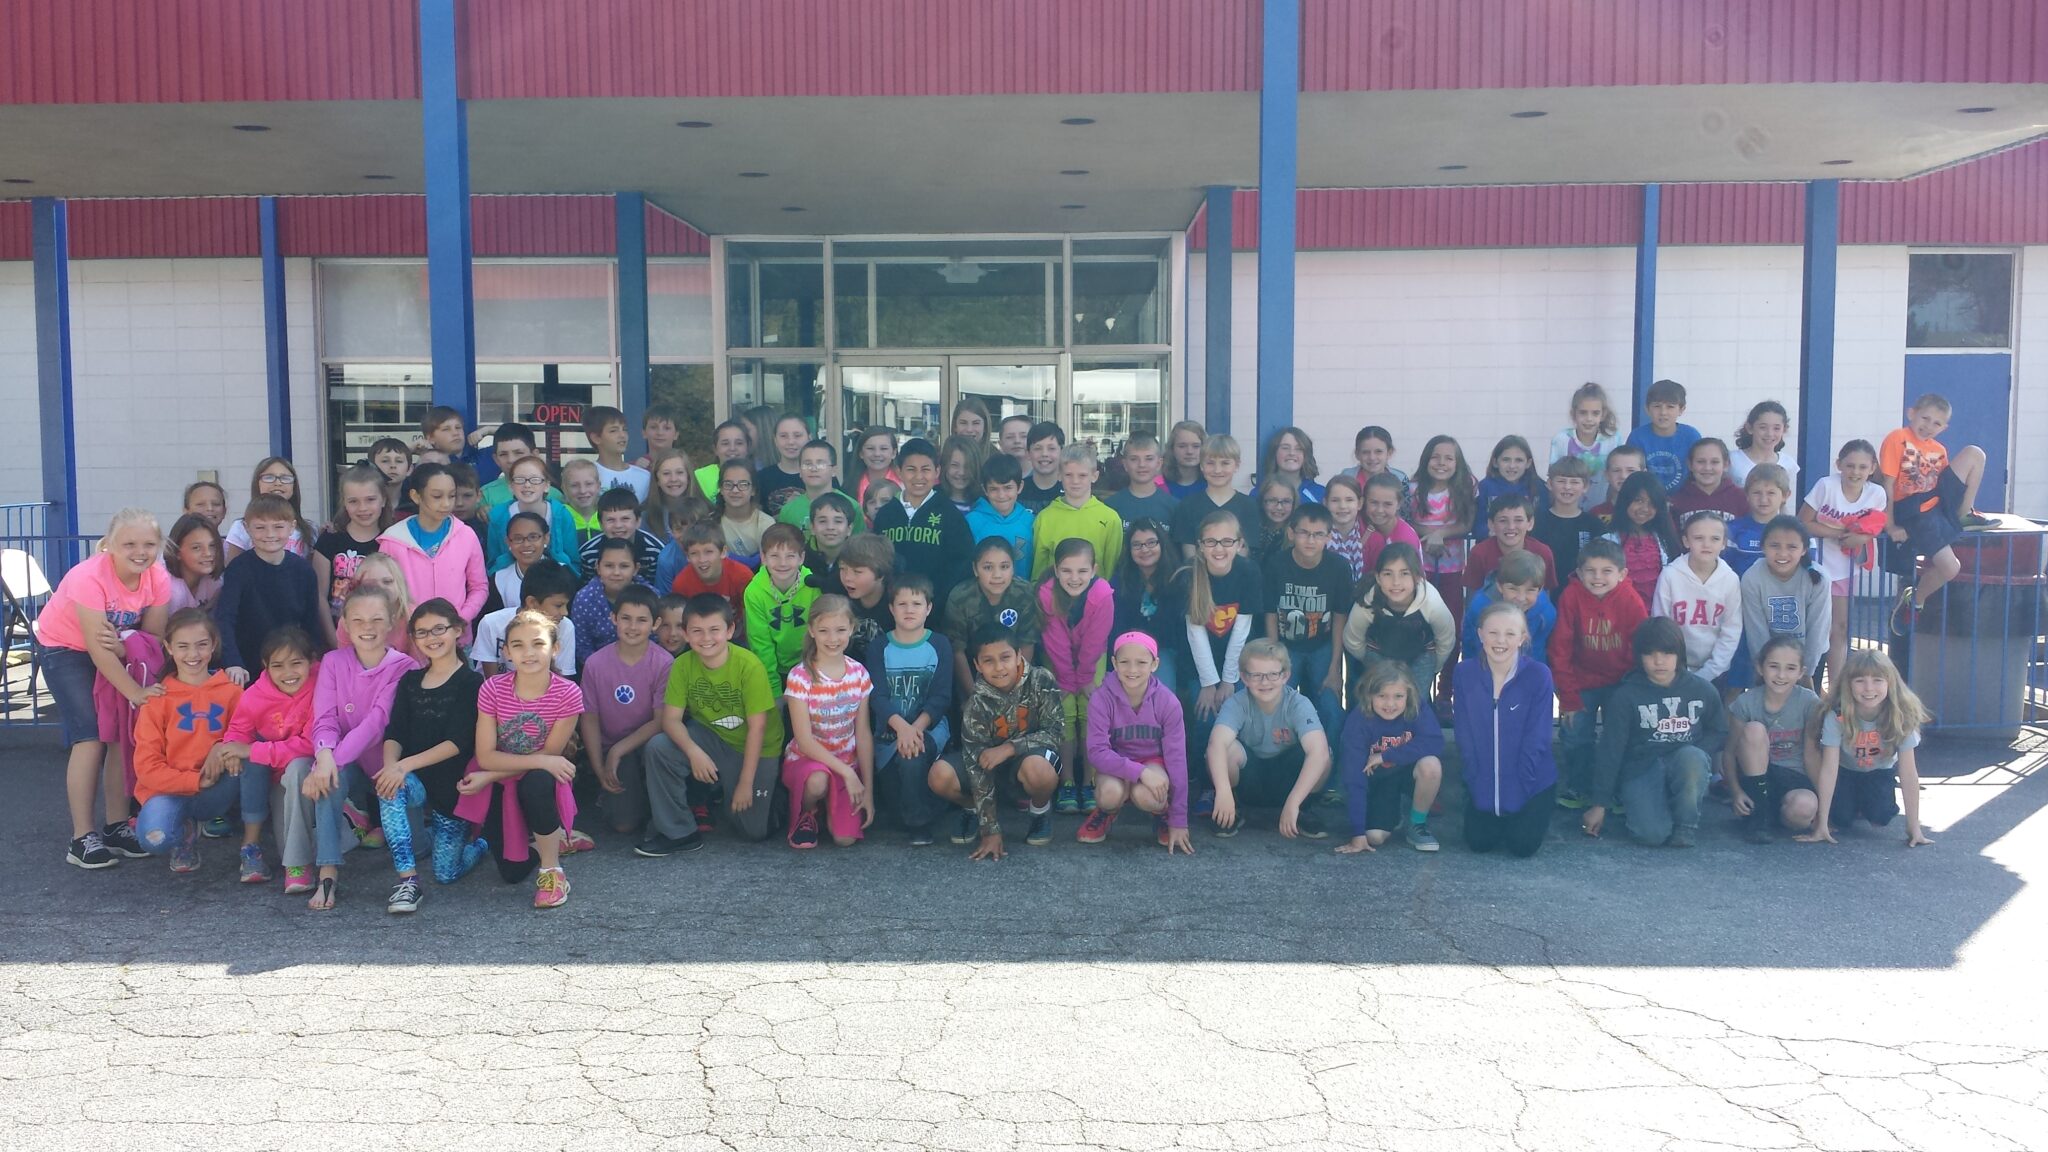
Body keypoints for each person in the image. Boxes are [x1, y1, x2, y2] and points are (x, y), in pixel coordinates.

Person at [294, 587, 417, 911]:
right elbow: (325, 718)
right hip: (348, 764)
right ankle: (328, 872)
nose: (368, 627)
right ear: (345, 624)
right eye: (358, 620)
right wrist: (323, 758)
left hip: (388, 770)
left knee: (417, 845)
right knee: (329, 781)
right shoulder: (333, 662)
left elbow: (376, 723)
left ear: (391, 622)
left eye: (377, 619)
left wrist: (327, 765)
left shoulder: (404, 666)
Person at [457, 609, 585, 908]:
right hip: (501, 775)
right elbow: (485, 756)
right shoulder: (491, 688)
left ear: (555, 648)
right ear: (506, 652)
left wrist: (490, 775)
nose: (528, 653)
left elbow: (549, 756)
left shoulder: (568, 693)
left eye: (538, 644)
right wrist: (492, 774)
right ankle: (555, 839)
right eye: (518, 645)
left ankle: (552, 871)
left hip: (534, 776)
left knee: (538, 782)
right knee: (512, 873)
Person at [637, 594, 784, 852]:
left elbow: (758, 728)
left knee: (754, 831)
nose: (706, 638)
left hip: (755, 746)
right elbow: (671, 720)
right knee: (659, 747)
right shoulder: (682, 665)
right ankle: (679, 832)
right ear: (686, 634)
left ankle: (775, 793)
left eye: (714, 630)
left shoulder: (749, 666)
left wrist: (745, 783)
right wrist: (693, 753)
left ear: (730, 630)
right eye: (697, 631)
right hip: (711, 735)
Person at [371, 599, 491, 914]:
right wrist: (392, 769)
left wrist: (403, 766)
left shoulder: (471, 682)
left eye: (439, 629)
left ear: (458, 630)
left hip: (451, 785)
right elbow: (395, 732)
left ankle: (480, 844)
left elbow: (457, 742)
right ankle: (408, 881)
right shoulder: (410, 680)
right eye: (422, 632)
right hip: (415, 780)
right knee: (389, 788)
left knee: (446, 873)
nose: (431, 638)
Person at [1586, 616, 1726, 847]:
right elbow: (1611, 750)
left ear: (1679, 654)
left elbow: (1719, 730)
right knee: (1651, 835)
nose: (1659, 661)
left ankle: (1686, 824)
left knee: (1692, 759)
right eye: (1650, 654)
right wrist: (1599, 804)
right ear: (1639, 656)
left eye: (1667, 653)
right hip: (1641, 767)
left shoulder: (1702, 689)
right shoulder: (1625, 696)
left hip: (1683, 760)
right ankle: (1651, 805)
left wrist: (1698, 753)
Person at [128, 608, 242, 874]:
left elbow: (245, 735)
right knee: (154, 838)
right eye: (183, 646)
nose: (193, 654)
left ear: (213, 645)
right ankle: (184, 832)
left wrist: (221, 746)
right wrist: (194, 781)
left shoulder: (231, 691)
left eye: (201, 645)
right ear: (169, 648)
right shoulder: (157, 699)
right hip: (170, 791)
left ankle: (251, 846)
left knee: (249, 760)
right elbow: (146, 767)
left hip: (218, 786)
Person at [1880, 392, 1994, 634]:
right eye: (1925, 418)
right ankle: (1915, 600)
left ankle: (1964, 513)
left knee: (1975, 453)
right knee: (1951, 568)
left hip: (1936, 503)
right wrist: (1890, 524)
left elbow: (1941, 482)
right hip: (1912, 509)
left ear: (1944, 428)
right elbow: (1887, 485)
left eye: (1937, 423)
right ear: (1911, 413)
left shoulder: (1939, 449)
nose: (1929, 426)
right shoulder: (1897, 438)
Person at [215, 627, 319, 885]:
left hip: (311, 772)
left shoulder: (321, 687)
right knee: (288, 843)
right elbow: (238, 730)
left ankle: (298, 865)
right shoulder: (255, 695)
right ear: (266, 666)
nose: (288, 673)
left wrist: (252, 750)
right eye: (278, 666)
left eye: (296, 663)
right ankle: (259, 850)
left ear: (311, 661)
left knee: (295, 765)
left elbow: (310, 745)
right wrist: (232, 748)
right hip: (276, 778)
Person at [949, 624, 1064, 858]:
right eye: (988, 661)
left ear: (1019, 656)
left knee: (1040, 770)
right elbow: (976, 766)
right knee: (940, 776)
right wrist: (990, 830)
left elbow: (1055, 732)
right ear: (977, 665)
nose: (999, 667)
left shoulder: (1041, 679)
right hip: (990, 768)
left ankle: (1039, 812)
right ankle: (973, 808)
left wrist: (1011, 747)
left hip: (1027, 763)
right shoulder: (976, 704)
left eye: (1005, 658)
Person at [1549, 539, 1648, 809]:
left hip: (1621, 681)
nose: (1597, 577)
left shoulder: (1631, 600)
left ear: (1622, 574)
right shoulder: (1571, 596)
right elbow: (1560, 648)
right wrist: (1568, 697)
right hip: (1581, 680)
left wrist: (1633, 689)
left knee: (1619, 738)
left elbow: (1640, 647)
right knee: (1575, 735)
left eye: (1606, 571)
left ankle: (1615, 790)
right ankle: (1579, 786)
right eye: (1590, 571)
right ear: (1579, 573)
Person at [1454, 603, 1559, 857]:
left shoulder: (1538, 675)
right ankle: (1494, 814)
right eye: (1493, 633)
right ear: (1480, 634)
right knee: (1479, 843)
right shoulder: (1464, 672)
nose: (1500, 641)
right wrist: (1475, 778)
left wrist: (1519, 789)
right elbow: (1464, 733)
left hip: (1530, 781)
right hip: (1484, 779)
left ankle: (1525, 814)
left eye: (1510, 634)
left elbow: (1538, 738)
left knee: (1522, 847)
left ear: (1522, 638)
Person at [1801, 649, 1933, 848]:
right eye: (1860, 680)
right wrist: (1822, 822)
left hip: (1879, 771)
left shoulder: (1901, 714)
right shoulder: (1838, 714)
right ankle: (1850, 805)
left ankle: (1864, 804)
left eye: (1877, 680)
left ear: (1891, 682)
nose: (1869, 688)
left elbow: (1908, 772)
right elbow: (1829, 768)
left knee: (1880, 816)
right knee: (1841, 819)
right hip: (1845, 771)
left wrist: (1914, 827)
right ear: (1848, 684)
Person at [865, 573, 959, 846]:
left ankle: (920, 826)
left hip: (928, 729)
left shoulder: (939, 644)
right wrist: (902, 728)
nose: (909, 610)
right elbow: (878, 696)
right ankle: (923, 810)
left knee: (912, 756)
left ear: (928, 608)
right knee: (896, 810)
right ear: (891, 608)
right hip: (889, 732)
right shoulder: (879, 647)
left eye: (916, 604)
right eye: (902, 604)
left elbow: (941, 697)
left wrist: (914, 729)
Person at [1205, 639, 1331, 839]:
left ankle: (1302, 809)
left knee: (1323, 754)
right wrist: (1222, 791)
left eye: (1273, 674)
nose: (1265, 682)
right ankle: (1232, 808)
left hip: (1288, 779)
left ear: (1286, 676)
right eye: (1256, 675)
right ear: (1244, 677)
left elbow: (1319, 752)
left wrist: (1294, 802)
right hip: (1250, 781)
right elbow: (1215, 745)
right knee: (1225, 749)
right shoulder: (1236, 703)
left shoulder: (1298, 703)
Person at [780, 595, 876, 849]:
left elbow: (863, 733)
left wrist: (868, 790)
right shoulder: (800, 677)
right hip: (807, 762)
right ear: (812, 631)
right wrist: (847, 773)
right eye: (824, 631)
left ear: (852, 629)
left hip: (846, 763)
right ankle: (808, 811)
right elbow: (804, 741)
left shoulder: (859, 674)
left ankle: (829, 809)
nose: (833, 638)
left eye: (840, 630)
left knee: (844, 840)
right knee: (818, 780)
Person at [1082, 631, 1191, 852]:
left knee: (1149, 796)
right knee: (1109, 794)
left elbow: (1177, 759)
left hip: (1153, 762)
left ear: (1154, 664)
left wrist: (1179, 819)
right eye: (1124, 662)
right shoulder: (1101, 698)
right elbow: (1096, 752)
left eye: (1141, 662)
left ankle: (1162, 813)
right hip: (1115, 763)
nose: (1132, 670)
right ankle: (1107, 811)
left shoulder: (1168, 702)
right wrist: (1139, 773)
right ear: (1114, 663)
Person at [215, 493, 329, 686]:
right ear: (247, 528)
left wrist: (312, 659)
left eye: (278, 527)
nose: (270, 534)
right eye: (260, 527)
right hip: (247, 666)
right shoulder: (238, 569)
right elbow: (225, 619)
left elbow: (311, 623)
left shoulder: (303, 570)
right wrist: (232, 662)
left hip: (290, 666)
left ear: (292, 527)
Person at [1801, 440, 1887, 684]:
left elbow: (1875, 527)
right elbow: (1803, 522)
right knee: (1810, 627)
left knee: (1839, 628)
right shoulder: (1826, 486)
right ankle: (1806, 684)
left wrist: (1862, 537)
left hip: (1846, 569)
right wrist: (1840, 534)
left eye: (1862, 467)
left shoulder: (1876, 494)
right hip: (1815, 567)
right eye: (1850, 465)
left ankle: (1836, 689)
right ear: (1839, 465)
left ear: (1872, 468)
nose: (1855, 472)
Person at [1038, 537, 1115, 814]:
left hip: (1091, 659)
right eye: (1067, 571)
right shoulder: (1047, 594)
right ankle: (1068, 781)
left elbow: (1095, 641)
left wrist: (1083, 679)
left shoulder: (1103, 594)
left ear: (1094, 570)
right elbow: (1055, 642)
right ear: (1056, 570)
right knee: (1065, 712)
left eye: (1082, 571)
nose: (1074, 578)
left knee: (1092, 711)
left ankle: (1089, 781)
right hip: (1057, 659)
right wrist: (1068, 682)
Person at [1335, 661, 1445, 854]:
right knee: (1374, 837)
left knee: (1431, 765)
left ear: (1409, 694)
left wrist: (1386, 755)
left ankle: (1417, 824)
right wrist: (1358, 833)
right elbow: (1354, 778)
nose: (1390, 704)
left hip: (1408, 771)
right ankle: (1394, 814)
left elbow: (1435, 742)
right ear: (1368, 695)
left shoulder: (1417, 708)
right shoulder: (1358, 722)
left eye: (1398, 696)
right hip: (1381, 781)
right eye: (1382, 696)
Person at [1263, 502, 1351, 737]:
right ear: (1291, 533)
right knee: (1277, 703)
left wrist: (1335, 667)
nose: (1310, 540)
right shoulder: (1276, 564)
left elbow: (1340, 617)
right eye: (1304, 533)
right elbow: (1270, 612)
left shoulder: (1339, 567)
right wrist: (1274, 657)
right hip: (1285, 646)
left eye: (1318, 534)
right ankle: (1284, 754)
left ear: (1329, 537)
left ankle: (1330, 756)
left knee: (1330, 706)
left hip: (1322, 645)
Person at [1727, 634, 1825, 844]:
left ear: (1801, 672)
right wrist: (1735, 792)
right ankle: (1759, 816)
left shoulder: (1809, 702)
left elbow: (1812, 755)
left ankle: (1772, 816)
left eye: (1790, 668)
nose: (1781, 675)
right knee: (1754, 730)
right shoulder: (1746, 702)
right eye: (1773, 666)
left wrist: (1824, 814)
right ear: (1760, 668)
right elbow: (1729, 752)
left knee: (1804, 808)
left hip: (1794, 775)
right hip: (1757, 777)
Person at [378, 462, 488, 644]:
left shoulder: (466, 535)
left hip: (455, 639)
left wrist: (460, 618)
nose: (446, 504)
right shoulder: (393, 540)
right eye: (437, 496)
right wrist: (417, 623)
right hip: (408, 640)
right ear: (416, 496)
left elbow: (479, 587)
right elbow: (384, 592)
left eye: (451, 496)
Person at [1342, 542, 1455, 709]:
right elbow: (1352, 638)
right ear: (1378, 578)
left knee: (1416, 703)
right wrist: (1367, 660)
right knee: (1381, 698)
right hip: (1379, 653)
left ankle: (1418, 723)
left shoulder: (1431, 602)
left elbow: (1446, 639)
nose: (1396, 582)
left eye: (1404, 574)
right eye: (1388, 574)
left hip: (1421, 654)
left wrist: (1433, 667)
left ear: (1418, 577)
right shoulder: (1368, 602)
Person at [872, 437, 975, 601]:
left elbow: (962, 564)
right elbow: (876, 563)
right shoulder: (885, 514)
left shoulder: (950, 514)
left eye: (925, 469)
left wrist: (936, 600)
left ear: (937, 472)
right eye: (911, 469)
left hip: (935, 606)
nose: (918, 476)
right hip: (891, 604)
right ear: (899, 471)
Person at [1408, 436, 1478, 667]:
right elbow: (1407, 522)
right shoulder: (1413, 489)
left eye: (1449, 458)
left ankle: (1447, 684)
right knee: (1419, 624)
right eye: (1435, 457)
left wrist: (1442, 534)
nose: (1441, 463)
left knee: (1451, 625)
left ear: (1458, 463)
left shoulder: (1466, 486)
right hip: (1419, 568)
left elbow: (1467, 523)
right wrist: (1430, 533)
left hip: (1452, 569)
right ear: (1426, 459)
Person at [1739, 516, 1831, 685]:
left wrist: (1806, 672)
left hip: (1811, 657)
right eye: (1774, 546)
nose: (1782, 553)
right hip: (1770, 659)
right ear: (1763, 547)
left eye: (1792, 547)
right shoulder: (1752, 578)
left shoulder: (1818, 579)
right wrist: (1765, 667)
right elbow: (1756, 632)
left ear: (1804, 549)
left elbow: (1817, 630)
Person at [1652, 514, 1742, 683]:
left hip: (1716, 671)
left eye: (1715, 539)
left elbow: (1731, 631)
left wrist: (1711, 671)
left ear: (1724, 543)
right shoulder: (1670, 575)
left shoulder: (1730, 579)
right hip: (1674, 669)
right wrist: (1677, 668)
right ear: (1686, 541)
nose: (1706, 544)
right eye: (1699, 538)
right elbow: (1660, 625)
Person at [743, 523, 820, 692]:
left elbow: (821, 634)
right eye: (774, 556)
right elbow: (761, 644)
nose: (782, 563)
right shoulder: (754, 592)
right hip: (774, 670)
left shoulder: (814, 586)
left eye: (790, 556)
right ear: (763, 558)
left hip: (811, 666)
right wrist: (774, 689)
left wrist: (814, 674)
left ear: (801, 558)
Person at [313, 464, 389, 632]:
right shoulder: (329, 540)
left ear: (383, 500)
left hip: (379, 633)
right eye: (353, 501)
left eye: (370, 500)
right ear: (344, 503)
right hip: (337, 631)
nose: (362, 508)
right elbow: (319, 596)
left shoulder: (391, 542)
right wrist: (333, 639)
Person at [1031, 443, 1123, 580]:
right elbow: (1038, 572)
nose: (1075, 481)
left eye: (1082, 475)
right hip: (1055, 592)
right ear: (1059, 475)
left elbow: (1112, 568)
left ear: (1094, 476)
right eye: (1068, 475)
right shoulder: (1045, 518)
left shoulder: (1110, 518)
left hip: (1096, 592)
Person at [1109, 518, 1180, 690]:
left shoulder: (1178, 579)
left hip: (1164, 651)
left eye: (1151, 542)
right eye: (1137, 545)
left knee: (1161, 690)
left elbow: (1179, 632)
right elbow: (1116, 628)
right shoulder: (1119, 581)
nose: (1145, 549)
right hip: (1128, 649)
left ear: (1162, 543)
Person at [1168, 434, 1259, 560]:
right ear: (1201, 465)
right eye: (1210, 463)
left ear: (1237, 465)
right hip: (1198, 571)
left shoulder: (1249, 506)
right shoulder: (1188, 505)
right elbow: (1189, 552)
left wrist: (1223, 568)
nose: (1217, 470)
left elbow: (1244, 551)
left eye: (1225, 463)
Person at [571, 539, 656, 670]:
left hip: (645, 667)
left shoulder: (651, 596)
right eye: (609, 566)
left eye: (624, 566)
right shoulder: (584, 599)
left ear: (636, 569)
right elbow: (582, 646)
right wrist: (607, 671)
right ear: (598, 567)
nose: (616, 572)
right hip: (599, 669)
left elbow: (656, 638)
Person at [1601, 471, 1680, 609]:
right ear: (1626, 500)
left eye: (1652, 503)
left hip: (1658, 614)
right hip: (1621, 613)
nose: (1645, 508)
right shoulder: (1608, 541)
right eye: (1638, 500)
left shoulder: (1664, 540)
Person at [1462, 550, 1555, 660]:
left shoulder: (1545, 614)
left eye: (1530, 590)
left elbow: (1537, 650)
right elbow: (1471, 646)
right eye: (1513, 589)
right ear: (1499, 586)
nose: (1521, 598)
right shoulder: (1479, 610)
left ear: (1540, 590)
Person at [660, 520, 754, 631]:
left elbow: (750, 620)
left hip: (737, 632)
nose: (702, 560)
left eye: (708, 552)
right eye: (694, 553)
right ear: (687, 557)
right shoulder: (681, 584)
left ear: (723, 552)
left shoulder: (742, 576)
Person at [1462, 493, 1558, 596]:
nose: (1511, 527)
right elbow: (1472, 596)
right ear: (1491, 524)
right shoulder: (1479, 553)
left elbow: (1546, 594)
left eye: (1518, 520)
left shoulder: (1542, 553)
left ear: (1530, 523)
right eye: (1503, 521)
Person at [222, 457, 314, 562]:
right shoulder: (240, 526)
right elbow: (233, 565)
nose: (278, 483)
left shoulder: (309, 529)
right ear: (257, 483)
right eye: (269, 477)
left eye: (285, 478)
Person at [1549, 382, 1622, 507]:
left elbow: (1617, 476)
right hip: (1568, 508)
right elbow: (1553, 477)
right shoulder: (1562, 440)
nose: (1589, 419)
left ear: (1603, 414)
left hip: (1603, 508)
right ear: (1573, 414)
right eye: (1583, 413)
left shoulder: (1613, 440)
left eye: (1595, 413)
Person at [1627, 378, 1704, 494]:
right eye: (1657, 406)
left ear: (1681, 409)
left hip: (1685, 498)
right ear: (1647, 409)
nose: (1663, 412)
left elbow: (1700, 469)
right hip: (1647, 498)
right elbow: (1631, 473)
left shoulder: (1691, 436)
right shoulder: (1637, 437)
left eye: (1670, 407)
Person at [580, 485, 665, 584]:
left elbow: (655, 588)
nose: (618, 525)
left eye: (625, 519)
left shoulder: (655, 551)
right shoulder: (588, 553)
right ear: (601, 524)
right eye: (610, 520)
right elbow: (587, 587)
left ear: (638, 521)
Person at [1532, 454, 1595, 581]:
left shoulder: (1594, 525)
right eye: (1561, 481)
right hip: (1540, 587)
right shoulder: (1534, 522)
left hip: (1580, 588)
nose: (1567, 487)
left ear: (1586, 486)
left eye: (1574, 482)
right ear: (1549, 484)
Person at [1725, 463, 1792, 578]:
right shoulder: (1731, 531)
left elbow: (1807, 569)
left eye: (1771, 493)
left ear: (1785, 496)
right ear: (1747, 495)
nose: (1763, 499)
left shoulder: (1796, 532)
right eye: (1757, 493)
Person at [833, 532, 895, 657]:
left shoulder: (899, 602)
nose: (847, 577)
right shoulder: (836, 596)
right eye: (842, 569)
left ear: (881, 574)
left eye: (857, 572)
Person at [477, 423, 562, 512]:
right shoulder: (486, 495)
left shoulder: (554, 495)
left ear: (534, 455)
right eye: (503, 454)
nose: (511, 460)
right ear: (496, 459)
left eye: (519, 453)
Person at [1473, 435, 1544, 541]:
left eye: (1518, 460)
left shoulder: (1538, 487)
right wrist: (1495, 532)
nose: (1512, 466)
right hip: (1492, 544)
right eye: (1506, 460)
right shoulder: (1484, 487)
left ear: (1528, 463)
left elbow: (1543, 524)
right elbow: (1477, 526)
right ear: (1495, 462)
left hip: (1528, 547)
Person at [964, 453, 1036, 557]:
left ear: (1020, 487)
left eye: (1008, 488)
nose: (1001, 495)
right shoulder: (972, 522)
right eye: (994, 489)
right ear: (985, 489)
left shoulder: (1030, 521)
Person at [1103, 432, 1178, 530]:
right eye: (1134, 459)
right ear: (1125, 464)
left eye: (1149, 459)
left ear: (1159, 464)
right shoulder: (1110, 507)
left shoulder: (1174, 507)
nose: (1142, 464)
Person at [641, 448, 714, 547]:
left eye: (679, 472)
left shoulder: (710, 512)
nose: (673, 479)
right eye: (666, 473)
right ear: (657, 479)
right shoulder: (645, 518)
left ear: (688, 477)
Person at [775, 439, 853, 531]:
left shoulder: (851, 505)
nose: (814, 469)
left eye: (821, 464)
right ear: (800, 471)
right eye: (807, 464)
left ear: (834, 470)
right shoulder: (788, 510)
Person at [1669, 438, 1748, 524]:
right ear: (1690, 465)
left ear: (1726, 465)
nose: (1707, 468)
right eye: (1700, 462)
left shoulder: (1741, 498)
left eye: (1714, 462)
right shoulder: (1677, 500)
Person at [583, 404, 651, 500]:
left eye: (625, 429)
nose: (622, 435)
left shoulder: (644, 476)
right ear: (596, 438)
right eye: (613, 431)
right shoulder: (587, 475)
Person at [163, 512, 224, 616]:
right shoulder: (171, 590)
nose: (208, 553)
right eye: (196, 548)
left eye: (212, 546)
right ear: (176, 552)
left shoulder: (214, 583)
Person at [1359, 472, 1420, 575]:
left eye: (1387, 504)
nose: (1379, 510)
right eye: (1374, 502)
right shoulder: (1358, 525)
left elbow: (1408, 578)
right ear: (1364, 501)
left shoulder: (1404, 538)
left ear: (1399, 504)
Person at [1729, 400, 1797, 491]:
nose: (1769, 434)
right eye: (1763, 427)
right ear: (1749, 428)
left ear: (1784, 430)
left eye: (1776, 428)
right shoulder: (1732, 460)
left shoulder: (1788, 464)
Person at [755, 412, 812, 516]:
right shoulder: (762, 478)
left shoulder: (821, 475)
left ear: (809, 438)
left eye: (797, 435)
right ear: (775, 440)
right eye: (783, 436)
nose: (790, 441)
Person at [803, 491, 860, 595]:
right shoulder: (800, 559)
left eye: (838, 521)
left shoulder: (860, 560)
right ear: (812, 528)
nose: (830, 527)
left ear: (849, 529)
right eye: (822, 521)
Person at [1258, 426, 1325, 503]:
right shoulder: (1259, 493)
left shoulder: (1320, 494)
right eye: (1285, 448)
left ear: (1306, 455)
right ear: (1275, 452)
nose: (1292, 453)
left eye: (1298, 449)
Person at [1321, 475, 1367, 581]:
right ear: (1325, 503)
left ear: (1360, 503)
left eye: (1349, 500)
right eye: (1335, 500)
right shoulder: (1316, 537)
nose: (1342, 506)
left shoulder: (1372, 538)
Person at [1588, 443, 1648, 520]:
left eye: (1631, 470)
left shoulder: (1652, 512)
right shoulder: (1596, 514)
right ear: (1607, 475)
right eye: (1616, 470)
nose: (1623, 476)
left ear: (1644, 474)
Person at [938, 433, 990, 516]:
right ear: (944, 465)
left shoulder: (986, 503)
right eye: (954, 465)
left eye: (968, 466)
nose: (961, 472)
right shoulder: (932, 499)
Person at [1018, 421, 1066, 510]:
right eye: (1038, 448)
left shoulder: (1071, 489)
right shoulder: (1017, 491)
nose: (1044, 454)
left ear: (1062, 452)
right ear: (1028, 454)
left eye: (1051, 448)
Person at [1345, 425, 1409, 492]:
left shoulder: (1401, 479)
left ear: (1389, 453)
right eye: (1365, 452)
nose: (1372, 457)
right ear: (1357, 454)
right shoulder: (1346, 478)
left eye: (1378, 451)